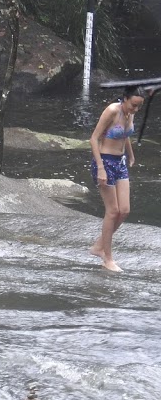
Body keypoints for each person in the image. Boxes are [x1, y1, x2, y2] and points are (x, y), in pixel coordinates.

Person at [89, 85, 144, 272]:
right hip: (105, 162)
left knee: (125, 210)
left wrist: (130, 154)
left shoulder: (130, 113)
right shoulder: (112, 110)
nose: (135, 109)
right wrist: (101, 168)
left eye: (138, 107)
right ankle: (107, 258)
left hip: (120, 162)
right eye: (133, 105)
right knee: (112, 211)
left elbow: (125, 134)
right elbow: (93, 138)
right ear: (125, 99)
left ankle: (98, 246)